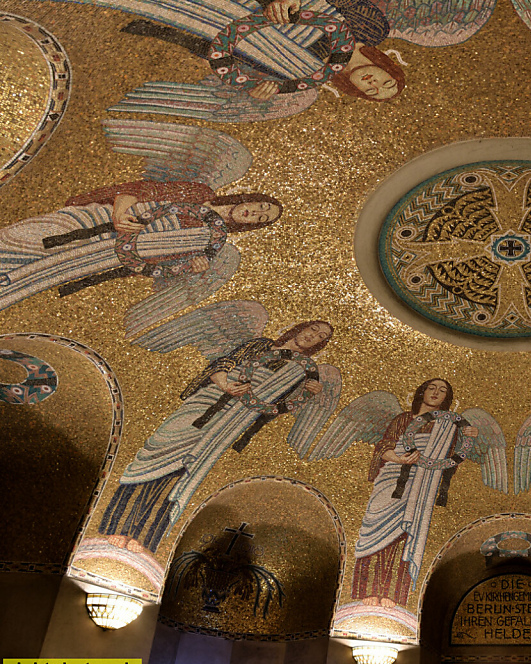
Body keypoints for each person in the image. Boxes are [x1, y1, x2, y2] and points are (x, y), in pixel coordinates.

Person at [98, 321, 332, 555]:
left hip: (229, 425)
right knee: (152, 456)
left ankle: (146, 537)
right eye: (313, 329)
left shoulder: (300, 371)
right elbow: (221, 365)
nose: (313, 336)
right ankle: (117, 526)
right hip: (205, 405)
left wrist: (306, 392)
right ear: (301, 328)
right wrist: (226, 385)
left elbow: (273, 409)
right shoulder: (261, 346)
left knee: (185, 473)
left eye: (321, 337)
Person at [0, 180, 281, 311]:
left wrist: (191, 267)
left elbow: (155, 267)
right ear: (249, 198)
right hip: (101, 219)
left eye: (262, 218)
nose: (256, 212)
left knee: (43, 269)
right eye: (260, 206)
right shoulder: (200, 193)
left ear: (252, 225)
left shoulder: (210, 242)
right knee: (26, 238)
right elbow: (144, 189)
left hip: (105, 255)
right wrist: (121, 211)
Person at [117, 0, 405, 102]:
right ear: (388, 67)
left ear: (356, 91)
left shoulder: (301, 71)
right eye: (386, 81)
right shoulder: (372, 30)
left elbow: (221, 48)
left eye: (373, 92)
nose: (375, 84)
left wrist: (251, 84)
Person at [352, 379, 478, 607]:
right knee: (374, 530)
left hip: (422, 485)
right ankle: (368, 590)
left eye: (442, 391)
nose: (436, 393)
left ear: (446, 400)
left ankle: (392, 594)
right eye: (432, 388)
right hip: (391, 479)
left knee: (406, 532)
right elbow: (384, 447)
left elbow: (451, 460)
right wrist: (400, 459)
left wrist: (466, 436)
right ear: (422, 392)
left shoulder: (448, 427)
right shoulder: (403, 419)